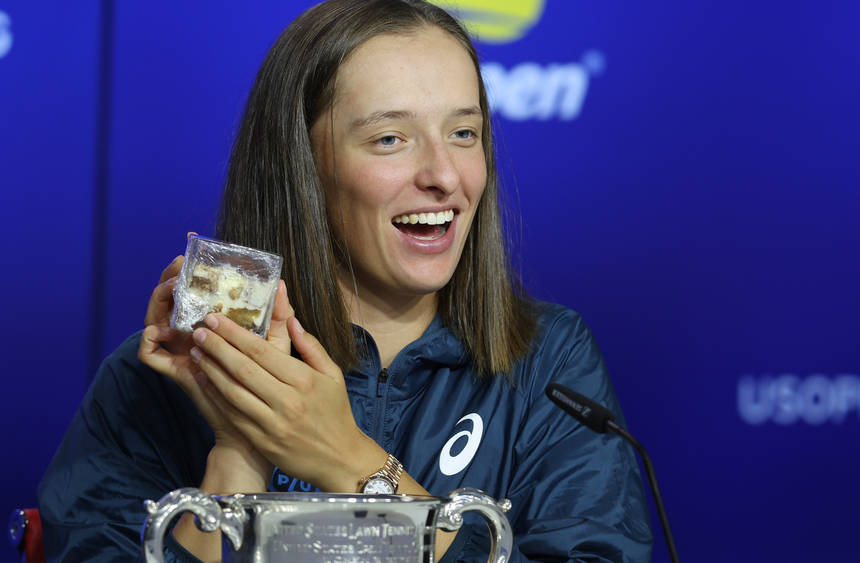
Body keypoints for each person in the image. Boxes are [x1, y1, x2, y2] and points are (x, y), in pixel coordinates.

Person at [38, 0, 653, 560]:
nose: (445, 175)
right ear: (300, 166)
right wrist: (239, 449)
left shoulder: (550, 363)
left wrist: (349, 460)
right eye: (390, 139)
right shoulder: (161, 378)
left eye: (463, 133)